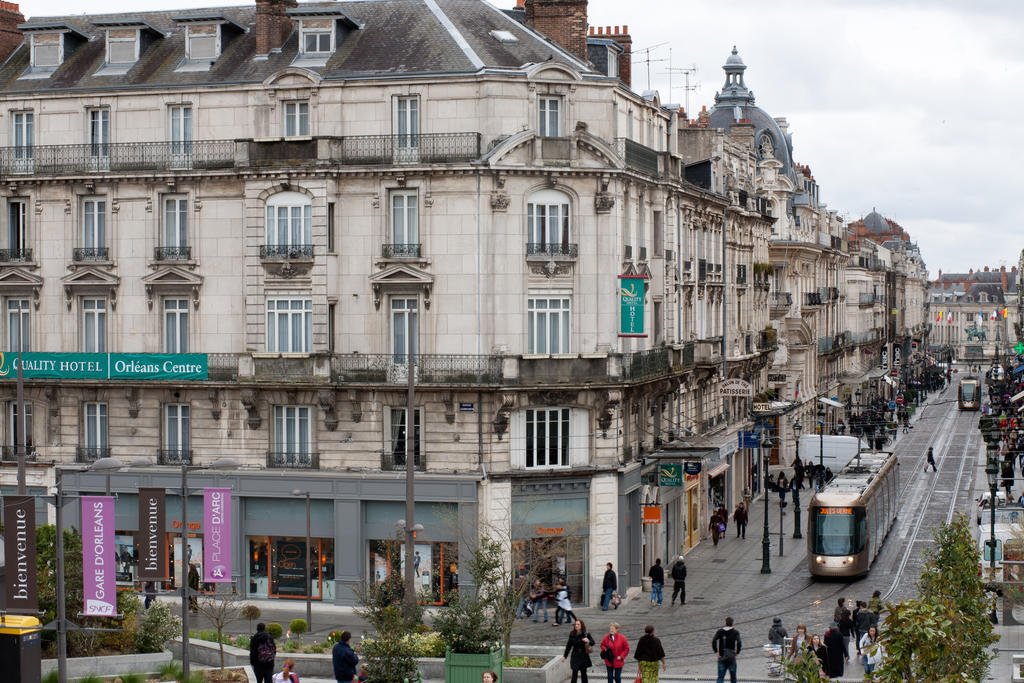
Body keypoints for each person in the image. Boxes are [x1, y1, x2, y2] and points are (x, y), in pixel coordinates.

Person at [561, 618, 594, 683]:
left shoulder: (586, 633)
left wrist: (588, 641)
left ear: (581, 625)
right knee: (574, 673)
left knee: (583, 673)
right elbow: (569, 646)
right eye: (575, 624)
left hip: (583, 655)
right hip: (575, 655)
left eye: (578, 624)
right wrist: (565, 656)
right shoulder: (572, 634)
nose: (576, 626)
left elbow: (593, 642)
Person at [711, 616, 742, 683]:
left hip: (722, 655)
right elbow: (739, 642)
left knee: (720, 678)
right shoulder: (735, 632)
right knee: (733, 678)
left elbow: (714, 640)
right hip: (731, 656)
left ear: (725, 623)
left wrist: (716, 652)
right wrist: (737, 653)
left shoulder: (720, 631)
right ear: (732, 623)